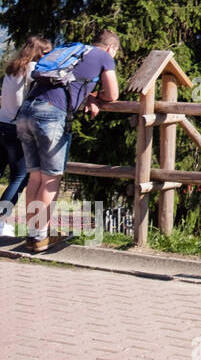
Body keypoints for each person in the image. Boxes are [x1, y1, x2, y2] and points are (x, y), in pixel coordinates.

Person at [18, 30, 120, 253]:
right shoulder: (104, 56)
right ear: (111, 48)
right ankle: (41, 237)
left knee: (35, 177)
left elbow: (69, 83)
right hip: (51, 114)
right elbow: (113, 94)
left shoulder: (72, 51)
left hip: (26, 110)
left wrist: (88, 96)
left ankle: (33, 234)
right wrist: (98, 98)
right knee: (50, 178)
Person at [0, 36, 52, 238]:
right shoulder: (33, 69)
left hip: (2, 124)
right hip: (17, 128)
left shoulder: (12, 68)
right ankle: (1, 220)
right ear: (40, 52)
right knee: (19, 177)